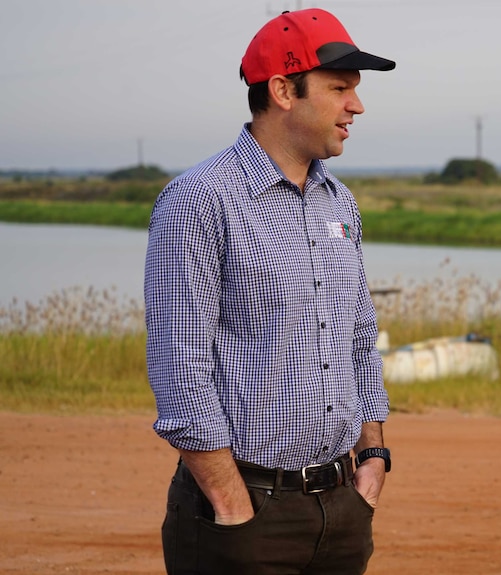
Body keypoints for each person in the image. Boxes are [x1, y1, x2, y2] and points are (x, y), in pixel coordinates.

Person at [144, 9, 394, 575]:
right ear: (283, 90)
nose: (356, 106)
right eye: (339, 88)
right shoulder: (200, 201)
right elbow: (181, 367)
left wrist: (373, 458)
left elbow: (358, 335)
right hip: (244, 514)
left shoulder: (341, 203)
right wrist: (233, 506)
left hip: (342, 507)